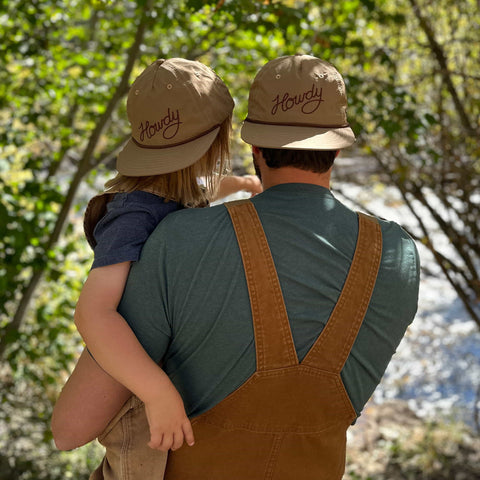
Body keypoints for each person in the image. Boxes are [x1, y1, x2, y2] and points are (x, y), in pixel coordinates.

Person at [52, 54, 420, 480]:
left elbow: (70, 429)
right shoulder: (397, 255)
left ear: (254, 146)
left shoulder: (176, 239)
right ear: (336, 147)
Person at [53, 57, 238, 467]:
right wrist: (157, 392)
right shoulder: (135, 214)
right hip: (134, 379)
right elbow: (93, 312)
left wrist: (240, 185)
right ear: (216, 141)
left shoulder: (166, 195)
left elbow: (200, 188)